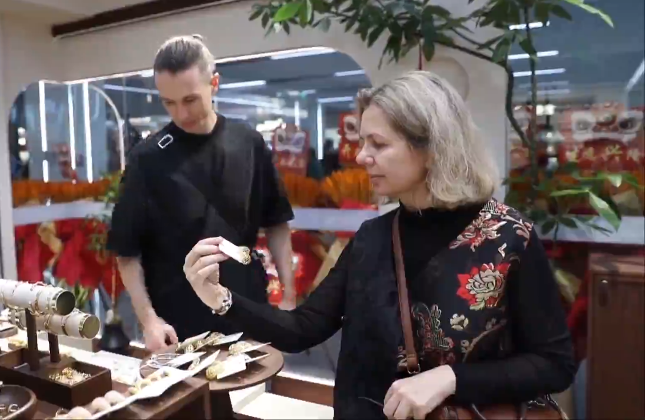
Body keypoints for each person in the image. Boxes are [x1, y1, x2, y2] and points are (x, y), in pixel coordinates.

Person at [183, 71, 575, 419]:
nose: (361, 156)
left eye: (378, 144)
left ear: (431, 148)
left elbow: (553, 364)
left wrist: (450, 378)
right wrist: (221, 298)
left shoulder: (508, 238)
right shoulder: (372, 238)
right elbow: (302, 329)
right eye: (362, 142)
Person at [109, 34, 296, 351]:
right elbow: (127, 252)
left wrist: (289, 298)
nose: (180, 114)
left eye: (190, 100)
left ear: (215, 84)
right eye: (169, 103)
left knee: (256, 384)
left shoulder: (248, 142)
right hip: (178, 328)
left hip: (249, 313)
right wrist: (149, 320)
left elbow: (276, 222)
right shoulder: (147, 158)